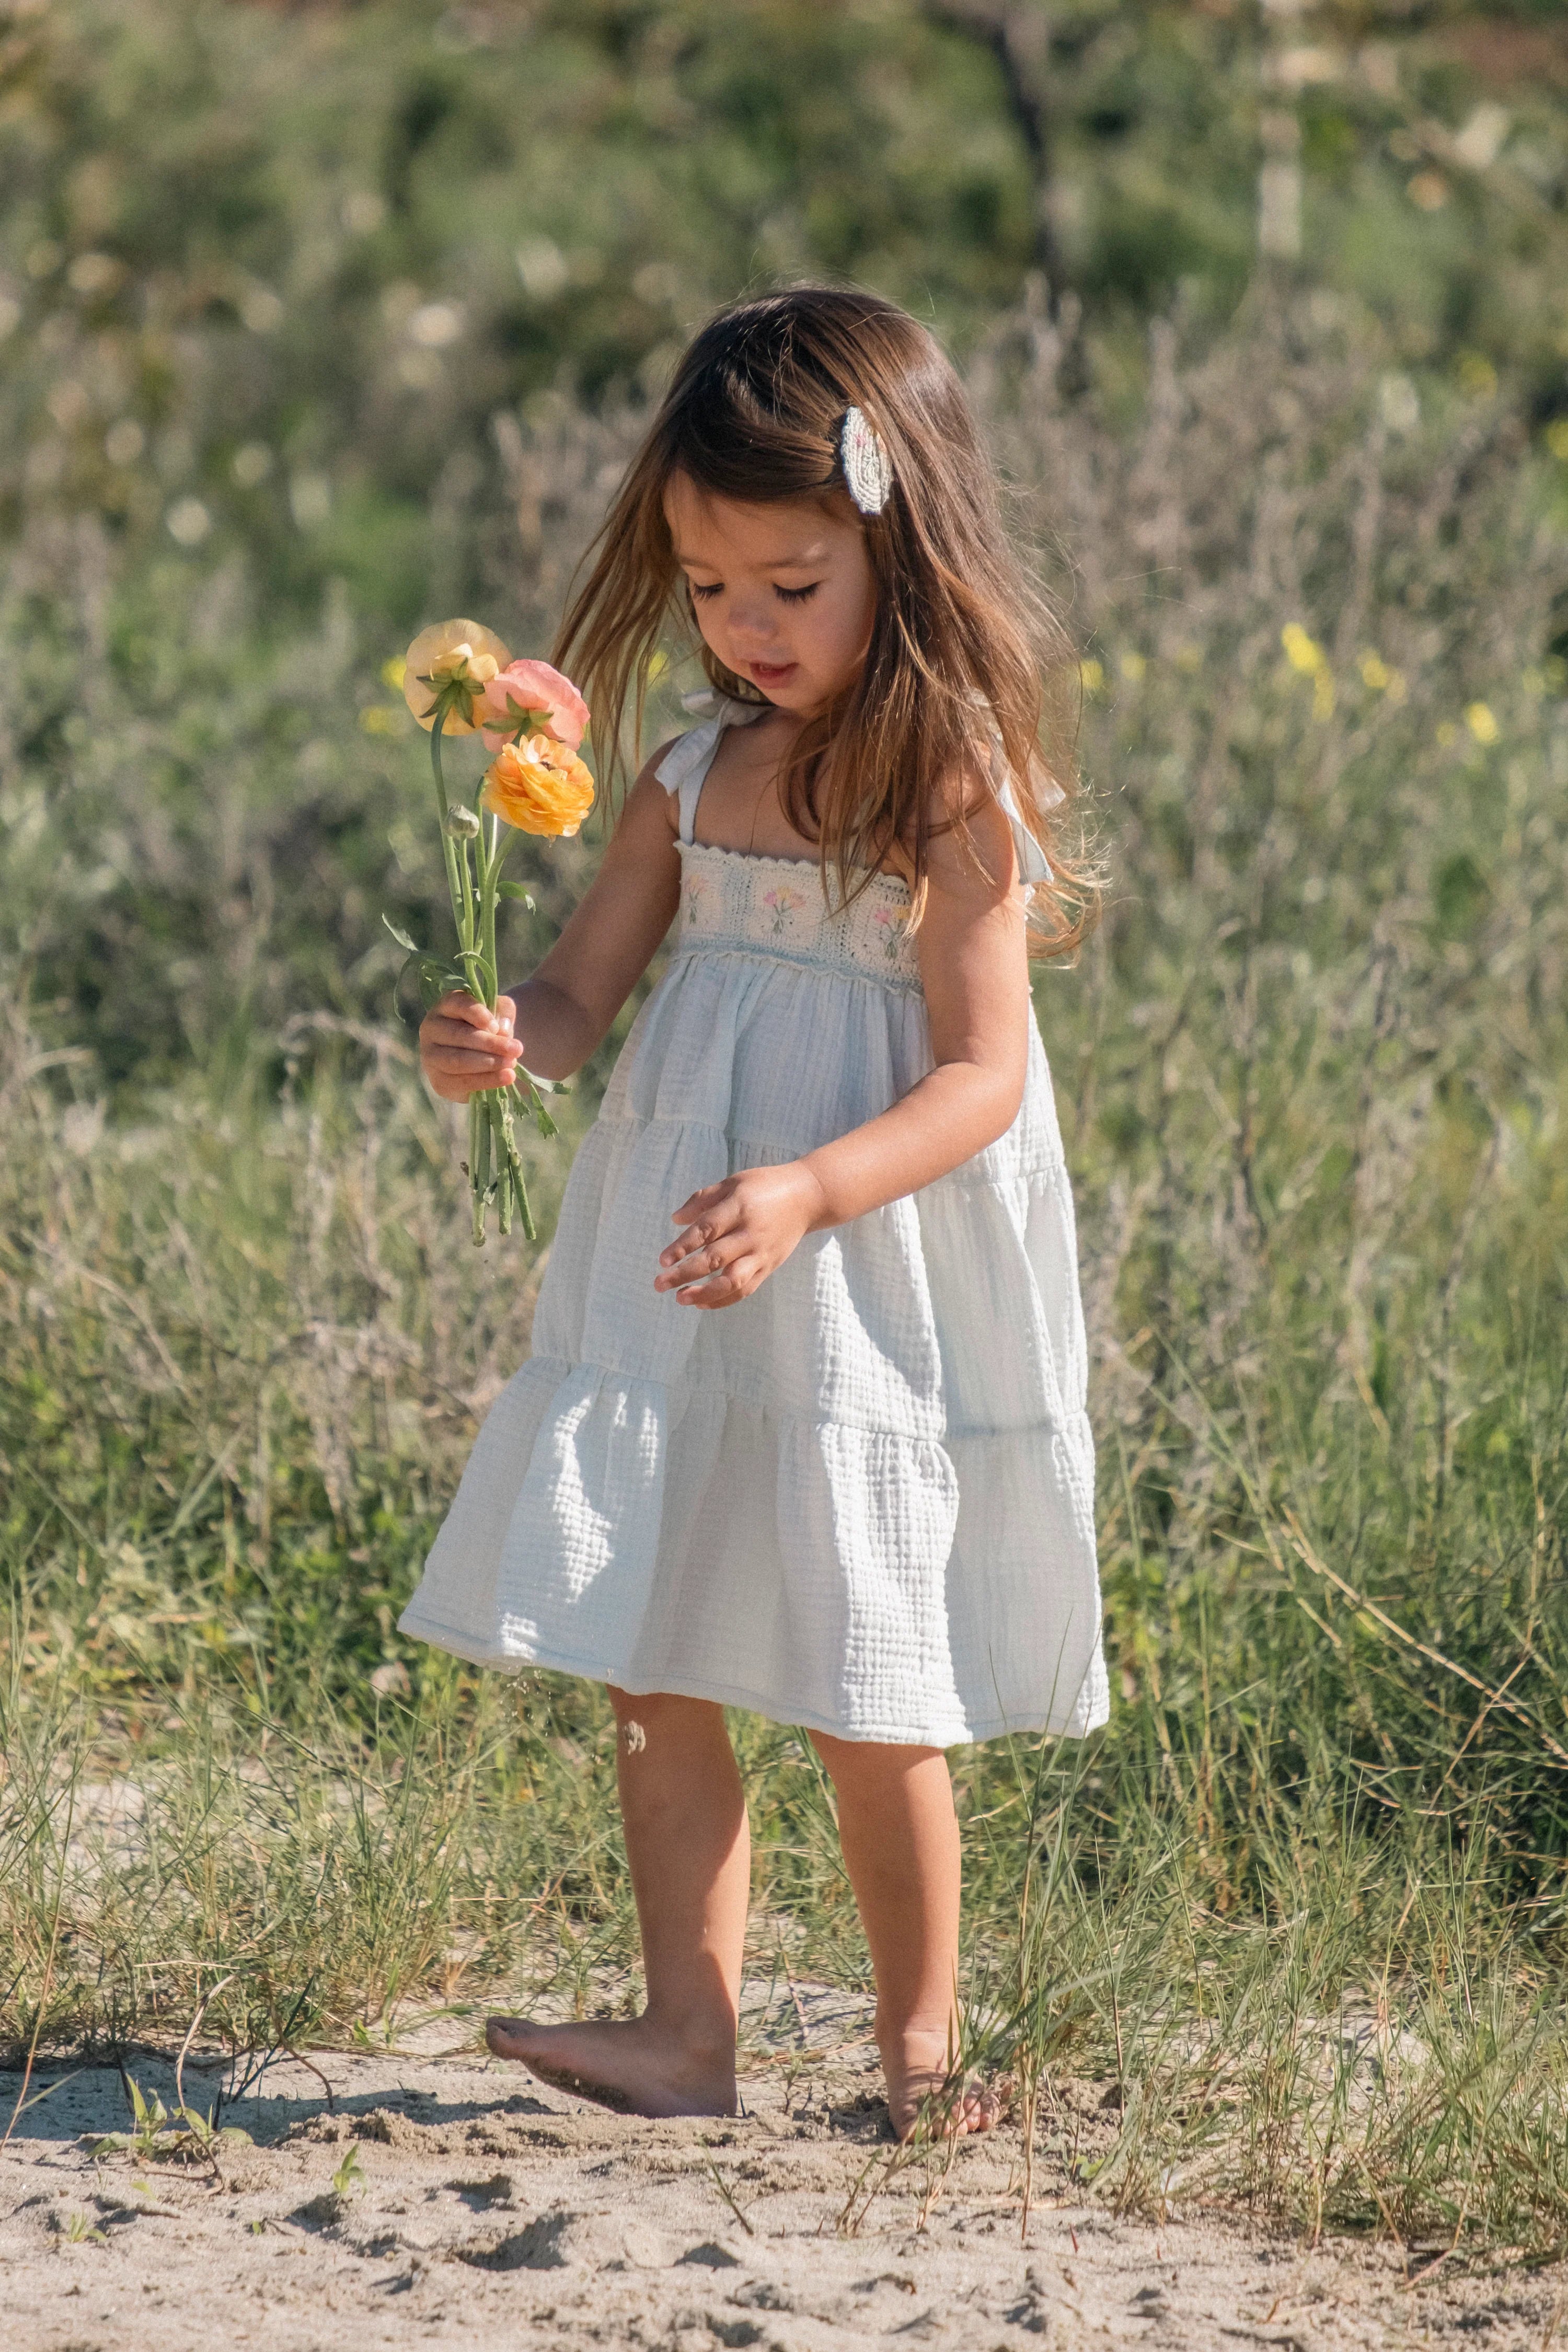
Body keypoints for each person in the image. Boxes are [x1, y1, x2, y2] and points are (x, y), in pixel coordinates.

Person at [401, 286, 1107, 2140]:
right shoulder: (686, 781)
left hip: (857, 1264)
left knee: (868, 1659)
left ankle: (921, 2052)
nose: (746, 627)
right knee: (655, 1638)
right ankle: (685, 2031)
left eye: (790, 583)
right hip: (688, 1270)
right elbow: (581, 993)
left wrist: (809, 1185)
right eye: (710, 588)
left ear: (902, 538)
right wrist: (508, 1041)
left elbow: (979, 1075)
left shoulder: (942, 789)